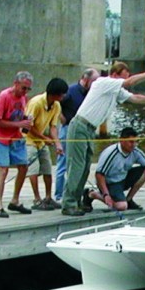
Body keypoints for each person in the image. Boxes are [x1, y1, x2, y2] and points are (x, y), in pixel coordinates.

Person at [62, 60, 145, 216]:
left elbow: (135, 98)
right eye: (123, 77)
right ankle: (68, 203)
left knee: (84, 168)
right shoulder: (104, 82)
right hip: (80, 126)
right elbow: (129, 82)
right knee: (76, 167)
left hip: (89, 129)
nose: (125, 81)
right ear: (114, 75)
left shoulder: (115, 90)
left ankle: (77, 200)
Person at [0, 71, 35, 218]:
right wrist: (18, 123)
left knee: (23, 166)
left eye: (28, 89)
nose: (25, 92)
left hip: (15, 136)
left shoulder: (23, 98)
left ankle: (15, 200)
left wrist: (26, 120)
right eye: (23, 88)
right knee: (4, 169)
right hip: (0, 137)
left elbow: (18, 115)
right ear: (16, 84)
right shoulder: (4, 96)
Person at [53, 68, 99, 202]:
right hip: (68, 129)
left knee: (79, 163)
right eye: (94, 81)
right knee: (64, 162)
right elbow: (56, 103)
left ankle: (74, 194)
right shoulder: (71, 91)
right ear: (85, 79)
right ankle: (59, 195)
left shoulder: (91, 93)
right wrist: (62, 118)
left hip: (83, 130)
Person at [89, 126, 145, 212]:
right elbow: (99, 174)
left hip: (123, 177)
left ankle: (129, 199)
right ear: (122, 140)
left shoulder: (135, 151)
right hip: (110, 182)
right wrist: (106, 194)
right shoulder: (111, 153)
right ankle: (93, 194)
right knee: (121, 206)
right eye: (131, 142)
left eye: (136, 142)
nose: (134, 145)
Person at [24, 77, 68, 210]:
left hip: (41, 141)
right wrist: (44, 137)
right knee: (33, 169)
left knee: (47, 167)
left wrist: (57, 144)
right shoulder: (36, 103)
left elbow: (53, 127)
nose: (63, 96)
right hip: (28, 139)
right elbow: (28, 126)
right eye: (62, 94)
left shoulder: (56, 106)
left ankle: (48, 197)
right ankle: (37, 199)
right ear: (55, 94)